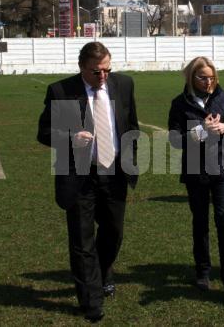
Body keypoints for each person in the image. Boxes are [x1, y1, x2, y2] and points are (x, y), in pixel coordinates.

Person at [37, 41, 139, 322]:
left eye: (107, 69)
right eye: (96, 72)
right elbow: (44, 133)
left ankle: (104, 270)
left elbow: (131, 125)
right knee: (82, 241)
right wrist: (69, 139)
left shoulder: (124, 85)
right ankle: (91, 300)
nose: (103, 76)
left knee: (113, 233)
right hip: (79, 175)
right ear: (82, 67)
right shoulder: (61, 91)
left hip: (115, 172)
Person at [167, 56, 224, 300]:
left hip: (221, 169)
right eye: (203, 77)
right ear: (192, 77)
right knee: (200, 223)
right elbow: (175, 139)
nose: (208, 81)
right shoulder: (179, 103)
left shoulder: (222, 97)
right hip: (195, 171)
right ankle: (203, 271)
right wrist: (201, 131)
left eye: (211, 77)